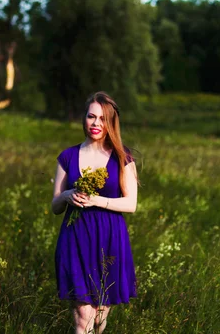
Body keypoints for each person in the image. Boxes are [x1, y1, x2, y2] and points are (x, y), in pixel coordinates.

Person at [52, 91, 138, 334]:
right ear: (84, 119)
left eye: (102, 118)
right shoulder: (67, 157)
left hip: (111, 240)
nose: (96, 123)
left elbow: (131, 204)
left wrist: (96, 200)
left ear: (110, 122)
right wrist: (67, 196)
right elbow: (55, 206)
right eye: (91, 117)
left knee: (99, 319)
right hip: (75, 238)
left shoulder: (123, 157)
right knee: (82, 318)